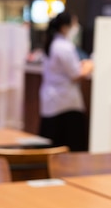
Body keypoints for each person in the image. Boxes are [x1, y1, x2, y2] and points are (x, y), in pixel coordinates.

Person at [39, 11, 93, 151]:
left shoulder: (52, 43)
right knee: (68, 146)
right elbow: (75, 74)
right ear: (64, 27)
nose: (77, 27)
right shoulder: (64, 47)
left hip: (53, 100)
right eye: (74, 23)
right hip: (64, 104)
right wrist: (90, 65)